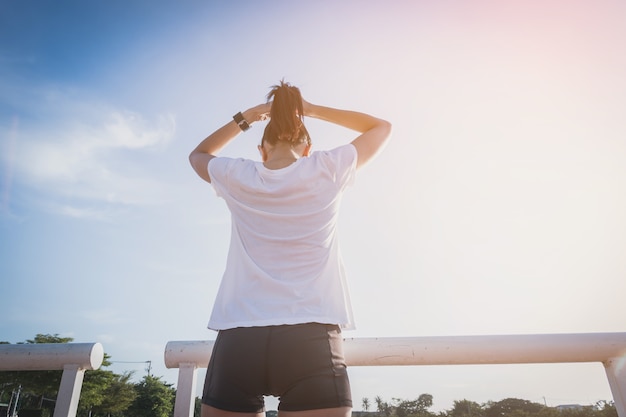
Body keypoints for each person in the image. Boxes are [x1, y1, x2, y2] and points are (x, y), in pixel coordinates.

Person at [189, 80, 392, 417]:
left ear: (261, 150)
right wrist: (309, 110)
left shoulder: (238, 175)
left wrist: (248, 117)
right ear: (309, 149)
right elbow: (380, 127)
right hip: (311, 335)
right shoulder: (327, 169)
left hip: (240, 336)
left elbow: (198, 155)